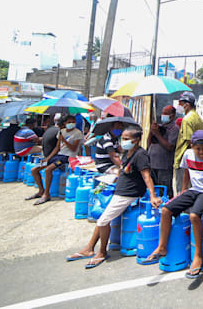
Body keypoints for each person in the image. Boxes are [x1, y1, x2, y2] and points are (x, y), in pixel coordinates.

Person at [66, 126, 162, 268]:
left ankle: (102, 252)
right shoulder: (128, 153)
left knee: (103, 221)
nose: (123, 141)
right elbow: (125, 169)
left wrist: (153, 196)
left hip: (128, 194)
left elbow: (146, 176)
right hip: (119, 190)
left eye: (126, 139)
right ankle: (89, 248)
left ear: (136, 140)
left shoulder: (141, 155)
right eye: (122, 138)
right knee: (103, 217)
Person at [142, 130, 203, 277]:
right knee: (166, 210)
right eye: (198, 149)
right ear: (192, 145)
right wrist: (183, 190)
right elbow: (187, 171)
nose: (201, 152)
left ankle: (198, 256)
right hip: (193, 189)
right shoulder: (188, 154)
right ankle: (162, 247)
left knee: (194, 216)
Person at [28, 115, 83, 205]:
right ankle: (41, 190)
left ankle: (46, 194)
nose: (71, 124)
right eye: (69, 122)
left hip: (68, 157)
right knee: (34, 170)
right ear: (64, 123)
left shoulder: (77, 133)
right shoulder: (61, 132)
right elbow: (57, 148)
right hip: (58, 155)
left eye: (73, 122)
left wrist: (64, 141)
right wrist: (48, 158)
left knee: (48, 169)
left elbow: (74, 148)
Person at [174, 91, 203, 195]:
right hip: (194, 160)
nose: (178, 106)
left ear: (187, 105)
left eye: (180, 104)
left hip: (185, 159)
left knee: (182, 189)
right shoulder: (197, 117)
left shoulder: (186, 119)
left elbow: (190, 140)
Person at [148, 105, 179, 198]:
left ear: (172, 116)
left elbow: (170, 146)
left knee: (165, 190)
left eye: (166, 114)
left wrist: (157, 134)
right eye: (162, 113)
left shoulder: (174, 128)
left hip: (164, 165)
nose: (163, 116)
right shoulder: (159, 127)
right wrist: (151, 131)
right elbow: (149, 143)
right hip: (152, 163)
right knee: (153, 189)